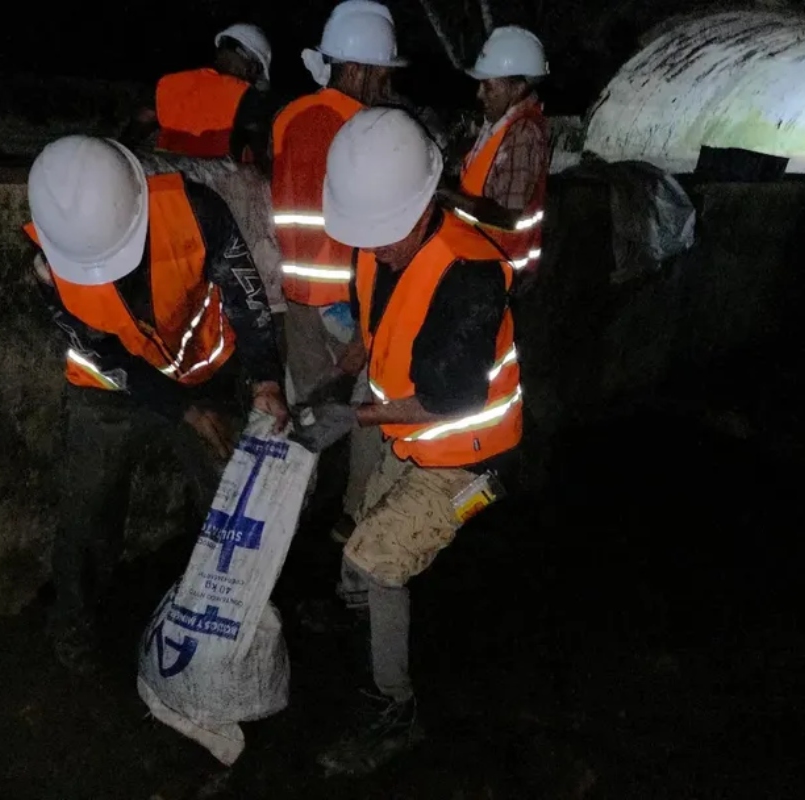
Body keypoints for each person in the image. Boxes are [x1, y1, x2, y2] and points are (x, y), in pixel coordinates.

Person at [291, 108, 526, 775]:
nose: (378, 247)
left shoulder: (472, 272)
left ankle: (394, 710)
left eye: (386, 234)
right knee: (363, 527)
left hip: (472, 458)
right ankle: (362, 617)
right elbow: (373, 329)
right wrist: (336, 382)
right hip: (412, 436)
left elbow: (453, 397)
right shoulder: (380, 246)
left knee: (375, 559)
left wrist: (355, 418)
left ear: (423, 205)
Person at [23, 134, 289, 673]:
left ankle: (222, 622)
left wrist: (265, 381)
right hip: (109, 391)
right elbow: (99, 350)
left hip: (204, 374)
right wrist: (183, 409)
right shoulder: (48, 261)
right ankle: (72, 624)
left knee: (229, 501)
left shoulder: (196, 210)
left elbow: (246, 296)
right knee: (87, 510)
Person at [270, 0, 408, 541]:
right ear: (357, 69)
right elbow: (383, 238)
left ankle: (281, 530)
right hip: (350, 304)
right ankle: (354, 542)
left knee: (302, 418)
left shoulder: (288, 117)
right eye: (382, 74)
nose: (386, 86)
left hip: (299, 296)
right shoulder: (368, 129)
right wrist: (371, 329)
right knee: (368, 419)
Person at [438, 26, 550, 280]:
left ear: (517, 87)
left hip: (501, 265)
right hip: (481, 256)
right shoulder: (501, 123)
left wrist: (444, 192)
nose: (479, 94)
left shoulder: (522, 133)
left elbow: (507, 216)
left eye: (488, 86)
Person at [145, 24, 274, 168]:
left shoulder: (169, 83)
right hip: (211, 185)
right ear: (250, 63)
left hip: (164, 181)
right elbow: (260, 154)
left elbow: (140, 125)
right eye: (256, 71)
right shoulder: (246, 96)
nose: (252, 78)